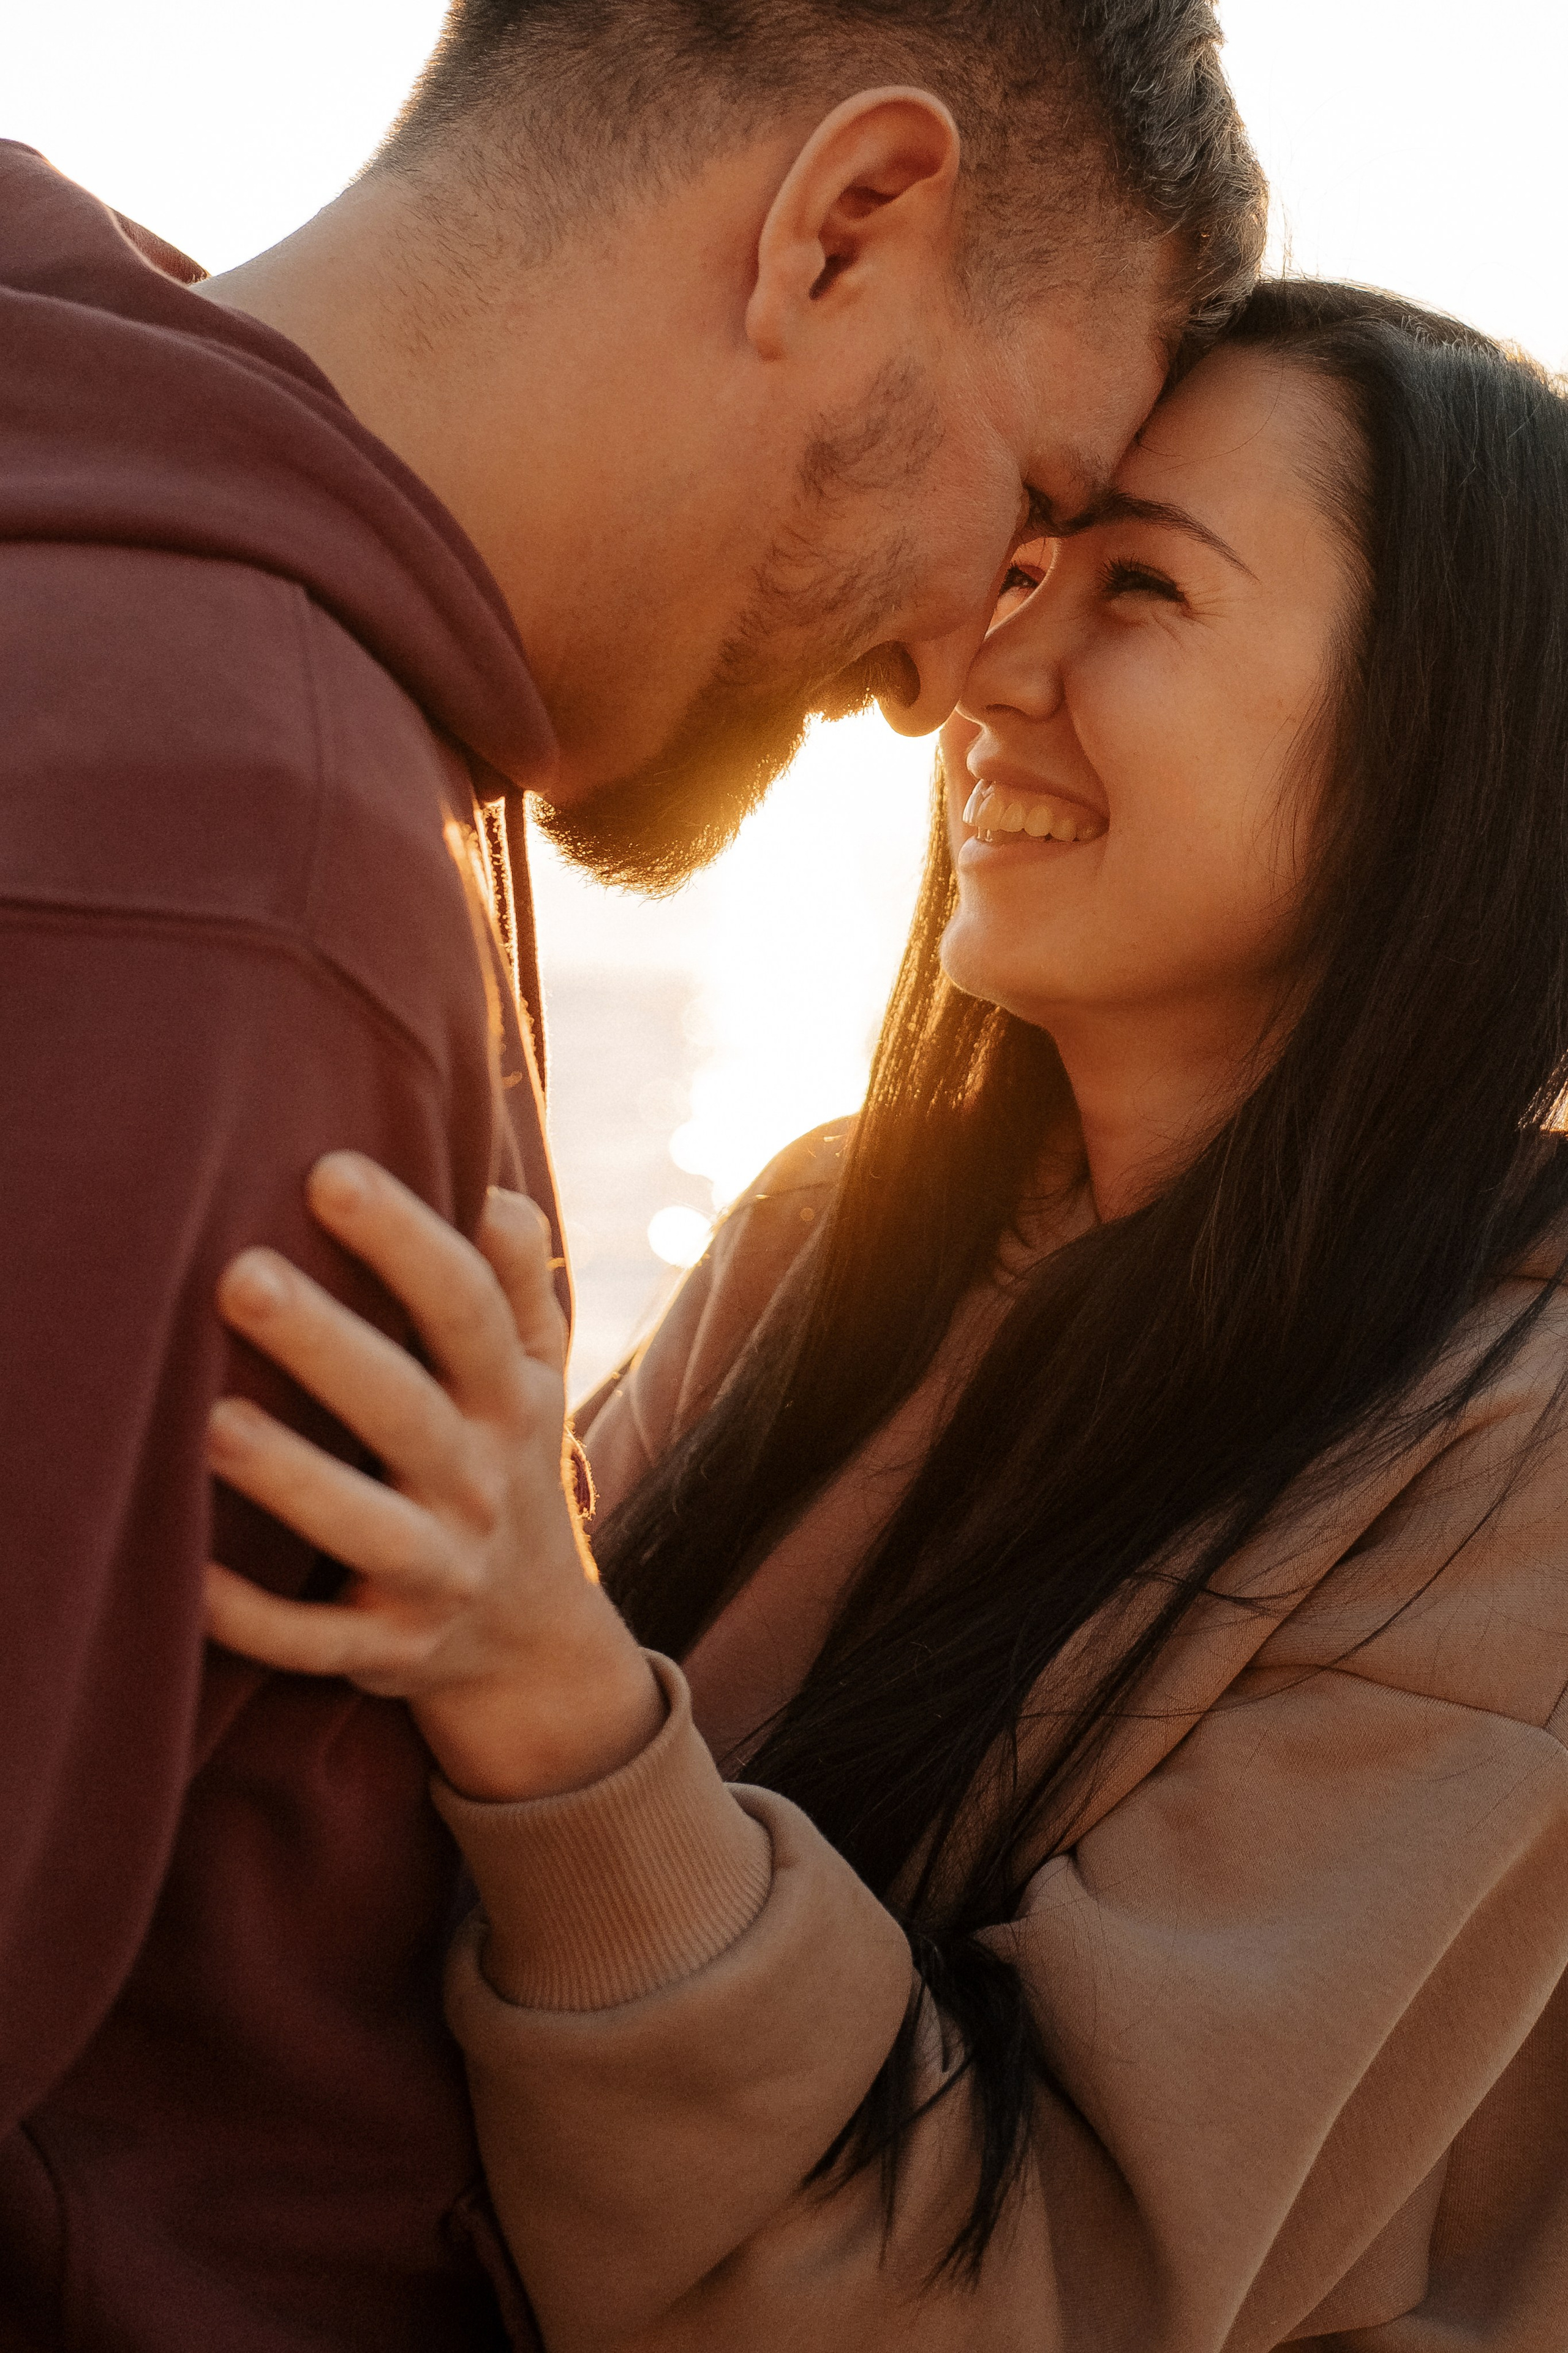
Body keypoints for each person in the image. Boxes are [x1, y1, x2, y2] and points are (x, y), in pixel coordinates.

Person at [0, 4, 1265, 2344]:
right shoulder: (242, 844)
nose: (947, 684)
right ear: (848, 221)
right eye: (1035, 502)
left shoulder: (147, 578)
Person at [208, 280, 1568, 2350]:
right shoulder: (825, 1242)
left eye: (1140, 589)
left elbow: (1007, 2299)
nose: (987, 673)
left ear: (1437, 744)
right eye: (1024, 566)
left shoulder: (1515, 1464)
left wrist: (552, 1690)